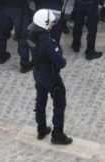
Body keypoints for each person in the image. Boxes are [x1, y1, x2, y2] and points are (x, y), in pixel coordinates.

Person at [27, 9, 72, 145]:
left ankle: (41, 128)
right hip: (50, 76)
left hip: (37, 72)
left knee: (40, 100)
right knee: (59, 104)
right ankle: (57, 135)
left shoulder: (32, 33)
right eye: (51, 22)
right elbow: (61, 63)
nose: (53, 24)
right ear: (45, 23)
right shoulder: (48, 42)